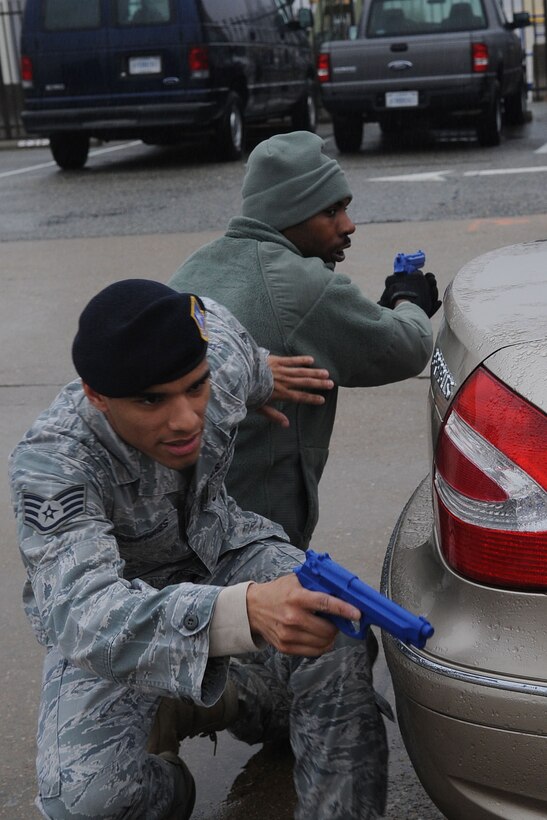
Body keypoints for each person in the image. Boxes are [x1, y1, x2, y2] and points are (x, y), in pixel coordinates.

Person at [9, 279, 389, 820]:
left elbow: (239, 358)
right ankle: (176, 774)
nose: (186, 419)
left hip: (223, 552)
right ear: (96, 395)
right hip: (122, 608)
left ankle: (254, 708)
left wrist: (263, 376)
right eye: (151, 400)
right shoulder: (54, 466)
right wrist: (244, 612)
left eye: (196, 387)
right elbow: (81, 615)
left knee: (332, 622)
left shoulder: (222, 357)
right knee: (86, 804)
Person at [168, 130, 440, 550]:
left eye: (346, 208)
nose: (348, 226)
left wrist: (373, 312)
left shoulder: (196, 265)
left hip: (175, 517)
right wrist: (409, 299)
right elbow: (407, 347)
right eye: (330, 212)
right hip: (254, 533)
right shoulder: (303, 284)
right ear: (288, 214)